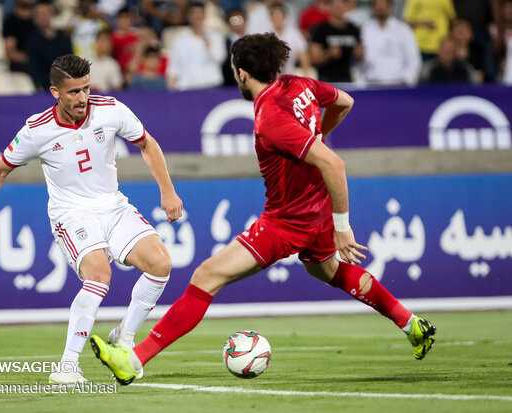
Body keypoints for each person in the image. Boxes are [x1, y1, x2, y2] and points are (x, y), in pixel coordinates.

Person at [89, 33, 437, 385]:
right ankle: (411, 324)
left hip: (288, 219)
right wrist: (314, 141)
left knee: (206, 277)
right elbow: (344, 101)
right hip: (315, 208)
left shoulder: (270, 115)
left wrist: (343, 226)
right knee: (327, 270)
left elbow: (333, 164)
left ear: (241, 73)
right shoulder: (299, 84)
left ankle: (134, 359)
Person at [0, 54, 183, 385]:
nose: (83, 98)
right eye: (74, 91)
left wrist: (168, 192)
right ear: (55, 92)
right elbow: (0, 169)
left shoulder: (110, 110)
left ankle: (124, 336)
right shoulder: (36, 130)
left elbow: (147, 143)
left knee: (161, 265)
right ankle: (67, 365)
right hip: (71, 213)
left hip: (113, 206)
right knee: (100, 275)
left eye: (86, 89)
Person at [359, 0, 421, 86]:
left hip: (398, 84)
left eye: (383, 4)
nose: (380, 8)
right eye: (377, 5)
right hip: (371, 84)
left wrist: (407, 81)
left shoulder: (403, 29)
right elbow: (360, 58)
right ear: (372, 8)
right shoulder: (365, 29)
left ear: (390, 7)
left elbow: (413, 59)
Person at [166, 2, 225, 90]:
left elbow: (220, 58)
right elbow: (174, 63)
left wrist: (208, 44)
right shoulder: (180, 38)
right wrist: (171, 81)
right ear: (188, 16)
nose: (197, 16)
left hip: (211, 84)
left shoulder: (215, 36)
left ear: (204, 15)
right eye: (193, 13)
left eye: (200, 13)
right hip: (186, 85)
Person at [310, 0, 363, 83]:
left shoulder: (354, 29)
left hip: (347, 78)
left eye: (342, 4)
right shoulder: (320, 29)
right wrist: (329, 54)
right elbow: (314, 59)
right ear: (330, 7)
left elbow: (360, 54)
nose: (339, 8)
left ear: (346, 7)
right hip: (326, 79)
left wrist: (359, 54)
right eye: (336, 6)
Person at [25, 1, 73, 91]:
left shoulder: (64, 36)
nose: (44, 16)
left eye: (46, 12)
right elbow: (35, 71)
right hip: (47, 87)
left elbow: (71, 60)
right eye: (40, 14)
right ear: (35, 18)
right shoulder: (32, 42)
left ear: (52, 14)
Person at [2, 0, 36, 73]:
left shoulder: (38, 19)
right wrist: (34, 59)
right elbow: (11, 53)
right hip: (23, 68)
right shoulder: (11, 21)